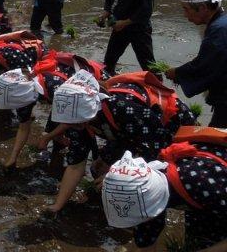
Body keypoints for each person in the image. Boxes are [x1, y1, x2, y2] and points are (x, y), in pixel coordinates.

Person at [101, 142, 227, 252]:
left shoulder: (206, 186)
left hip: (214, 186)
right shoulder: (145, 192)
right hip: (201, 198)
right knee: (200, 236)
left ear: (154, 202)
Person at [40, 69, 195, 213]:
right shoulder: (79, 120)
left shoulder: (123, 108)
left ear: (90, 110)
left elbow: (153, 150)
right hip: (127, 133)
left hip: (169, 129)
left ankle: (146, 211)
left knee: (131, 180)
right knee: (98, 169)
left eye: (76, 122)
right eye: (69, 122)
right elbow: (76, 165)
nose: (71, 126)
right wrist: (57, 205)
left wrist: (117, 174)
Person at [166, 0, 227, 126]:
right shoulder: (221, 24)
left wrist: (178, 73)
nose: (185, 15)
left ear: (203, 8)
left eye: (186, 9)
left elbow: (206, 66)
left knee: (215, 140)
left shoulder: (218, 30)